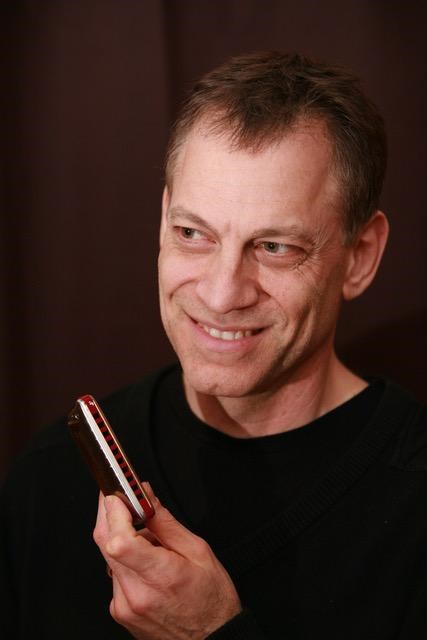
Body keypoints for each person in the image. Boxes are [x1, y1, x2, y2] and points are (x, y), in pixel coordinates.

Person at [1, 51, 426, 640]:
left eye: (275, 246)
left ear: (360, 257)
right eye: (193, 233)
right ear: (162, 223)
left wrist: (212, 634)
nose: (223, 293)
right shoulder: (47, 480)